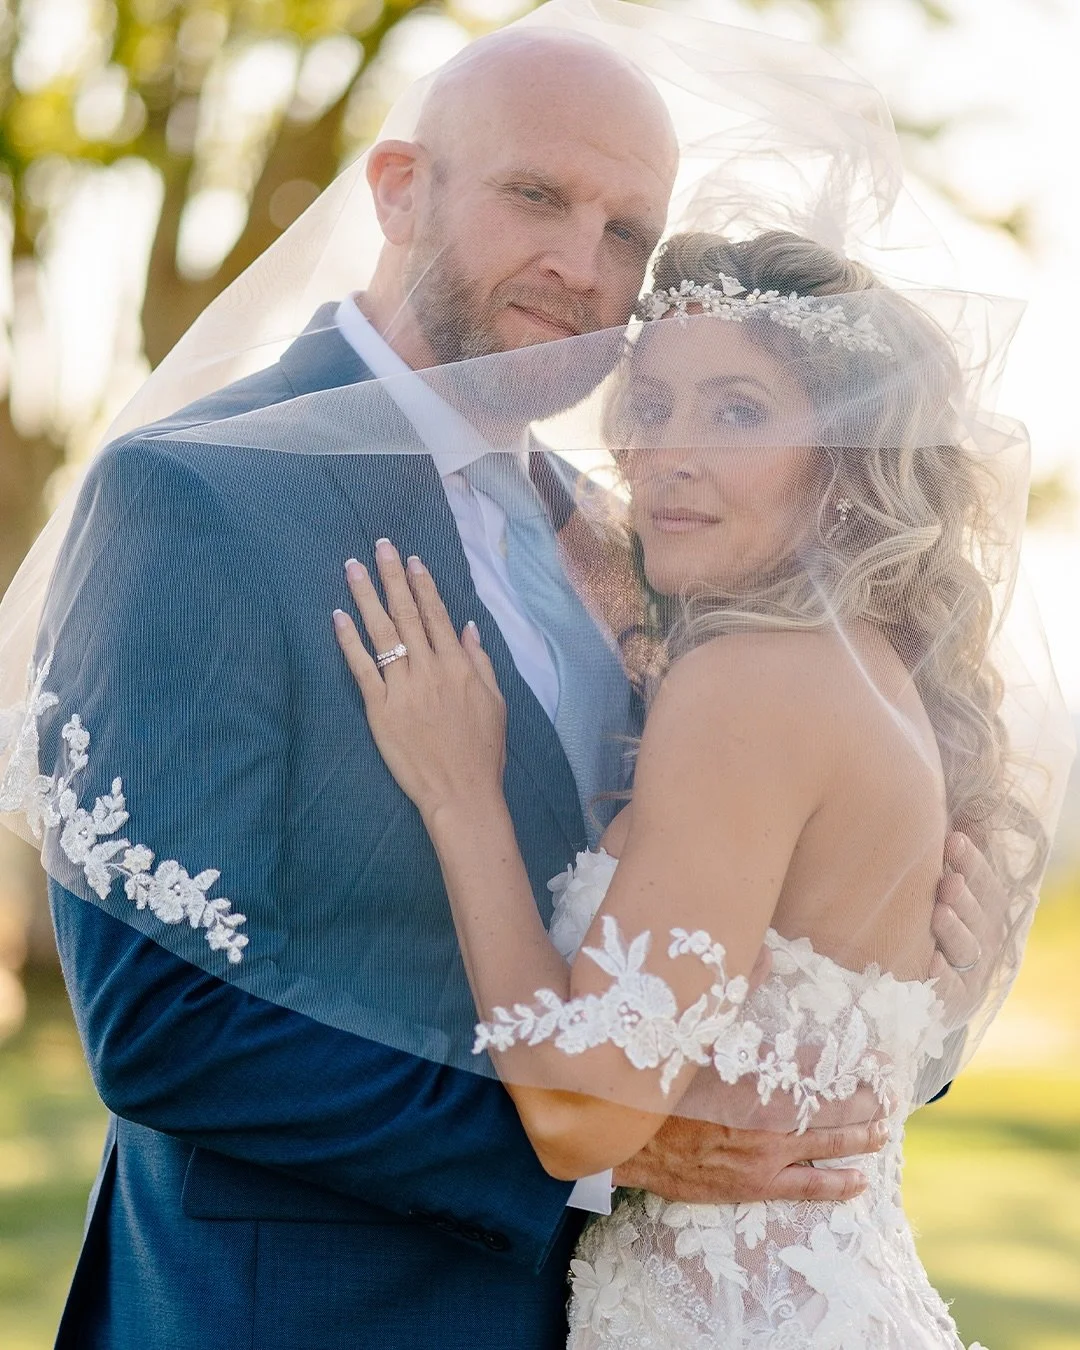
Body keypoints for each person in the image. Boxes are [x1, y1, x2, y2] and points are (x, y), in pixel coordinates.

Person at [0, 9, 1022, 1349]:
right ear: (398, 188)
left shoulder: (640, 541)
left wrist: (890, 955)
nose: (578, 264)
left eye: (626, 233)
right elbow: (162, 1026)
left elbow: (726, 946)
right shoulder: (197, 496)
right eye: (536, 195)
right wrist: (615, 1142)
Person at [332, 229, 1048, 1347]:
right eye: (652, 405)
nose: (668, 453)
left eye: (738, 412)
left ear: (847, 458)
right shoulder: (872, 667)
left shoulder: (746, 688)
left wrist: (462, 796)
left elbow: (579, 1116)